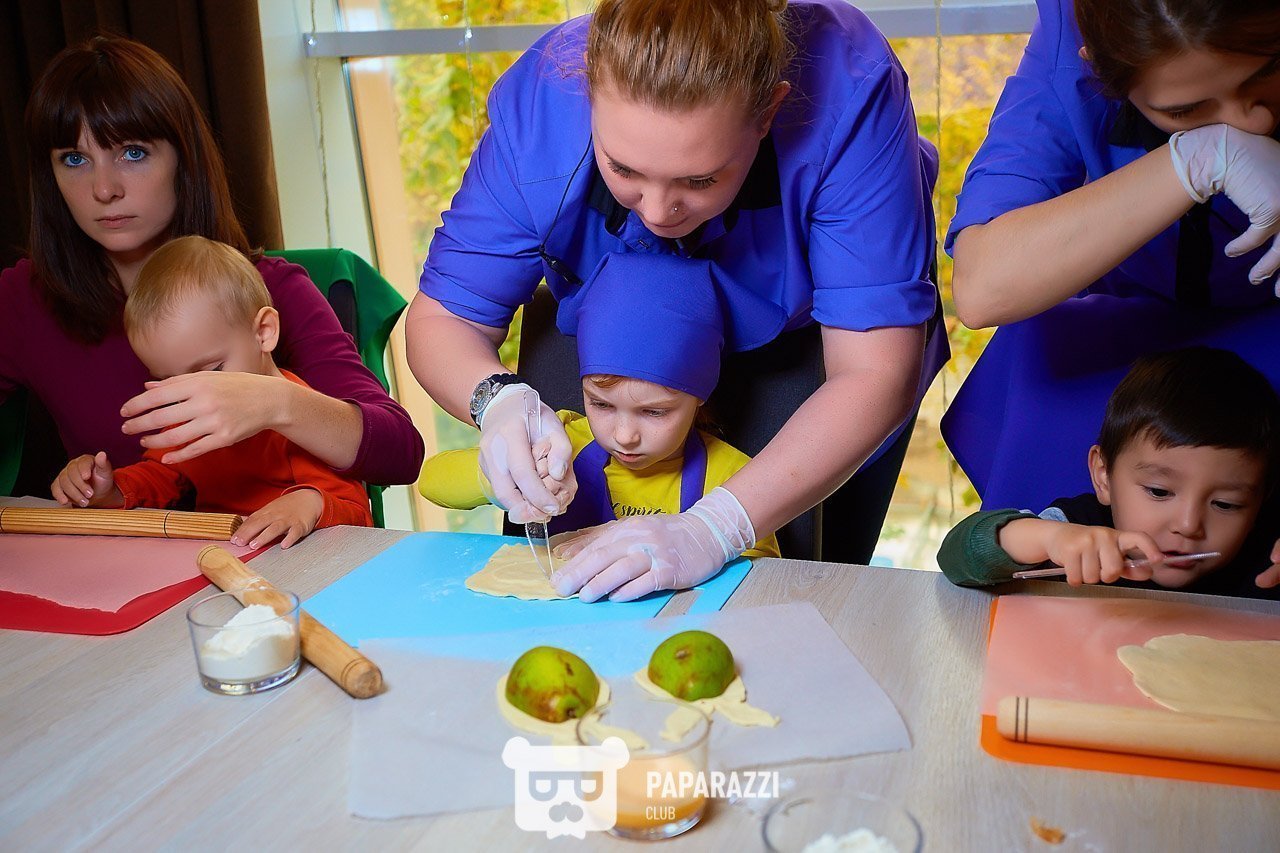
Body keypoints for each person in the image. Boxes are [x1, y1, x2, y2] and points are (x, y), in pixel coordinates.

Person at [407, 0, 945, 601]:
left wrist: (714, 528)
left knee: (795, 585)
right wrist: (497, 400)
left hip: (810, 342)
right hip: (598, 331)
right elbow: (443, 318)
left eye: (700, 179)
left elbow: (873, 372)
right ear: (587, 94)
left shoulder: (850, 90)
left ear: (768, 112)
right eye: (623, 169)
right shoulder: (541, 110)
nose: (660, 214)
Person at [1, 36, 423, 499]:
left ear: (183, 159)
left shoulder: (273, 287)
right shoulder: (24, 297)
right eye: (75, 159)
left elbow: (400, 451)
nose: (104, 189)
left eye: (133, 152)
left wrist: (277, 401)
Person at [942, 0, 1280, 512]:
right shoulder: (1072, 36)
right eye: (1185, 110)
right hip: (1119, 352)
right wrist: (1197, 161)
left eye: (1268, 71)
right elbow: (984, 285)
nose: (1250, 122)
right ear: (1098, 68)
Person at [419, 254, 780, 578]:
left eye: (654, 412)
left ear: (700, 396)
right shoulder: (561, 442)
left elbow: (763, 576)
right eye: (602, 405)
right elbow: (432, 483)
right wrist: (500, 475)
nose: (624, 435)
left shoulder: (736, 477)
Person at [51, 237, 374, 548]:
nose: (196, 394)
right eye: (171, 382)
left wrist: (312, 503)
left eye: (213, 370)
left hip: (301, 562)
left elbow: (357, 514)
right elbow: (164, 472)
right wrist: (110, 490)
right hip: (222, 556)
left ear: (264, 332)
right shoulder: (191, 411)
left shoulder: (297, 421)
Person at [938, 348, 1280, 597]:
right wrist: (1049, 540)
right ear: (1103, 475)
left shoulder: (1268, 556)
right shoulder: (1078, 528)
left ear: (1262, 498)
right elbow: (956, 554)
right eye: (1159, 491)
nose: (1189, 525)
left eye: (1226, 504)